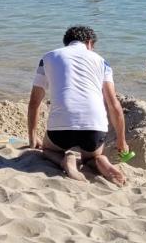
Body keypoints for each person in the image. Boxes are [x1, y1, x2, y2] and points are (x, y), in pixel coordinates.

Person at [26, 25, 129, 184]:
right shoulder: (102, 62)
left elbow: (34, 102)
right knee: (93, 156)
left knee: (47, 149)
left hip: (60, 131)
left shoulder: (48, 57)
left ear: (67, 42)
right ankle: (101, 162)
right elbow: (113, 104)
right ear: (89, 43)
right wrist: (121, 141)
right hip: (94, 129)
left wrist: (32, 137)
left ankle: (65, 160)